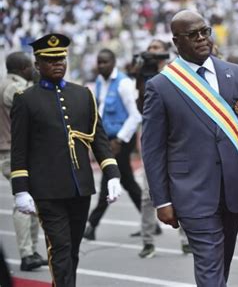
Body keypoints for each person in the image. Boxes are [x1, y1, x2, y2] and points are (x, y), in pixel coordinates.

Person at [141, 10, 238, 286]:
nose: (202, 38)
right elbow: (152, 149)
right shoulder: (161, 86)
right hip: (191, 192)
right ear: (176, 42)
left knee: (221, 264)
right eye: (193, 35)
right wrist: (162, 200)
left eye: (205, 31)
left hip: (235, 189)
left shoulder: (237, 74)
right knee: (209, 263)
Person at [10, 33, 122, 287]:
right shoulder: (26, 100)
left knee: (72, 248)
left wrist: (113, 174)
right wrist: (21, 190)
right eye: (50, 60)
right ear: (37, 64)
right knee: (60, 248)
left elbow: (99, 140)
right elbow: (19, 149)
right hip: (47, 191)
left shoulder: (83, 95)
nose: (58, 63)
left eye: (61, 58)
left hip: (80, 186)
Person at [132, 39, 191, 258]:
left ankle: (186, 240)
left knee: (180, 189)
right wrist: (140, 73)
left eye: (157, 48)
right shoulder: (142, 73)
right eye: (150, 48)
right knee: (149, 194)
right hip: (152, 140)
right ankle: (147, 241)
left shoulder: (176, 71)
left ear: (166, 52)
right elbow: (140, 106)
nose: (152, 52)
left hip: (175, 138)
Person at [83, 49, 142, 240]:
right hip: (108, 140)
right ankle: (150, 220)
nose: (101, 66)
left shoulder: (124, 83)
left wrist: (119, 140)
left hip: (122, 140)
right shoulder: (100, 82)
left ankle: (92, 224)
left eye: (105, 62)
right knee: (127, 181)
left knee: (109, 178)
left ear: (114, 62)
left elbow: (135, 116)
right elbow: (100, 110)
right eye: (99, 62)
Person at [0, 52, 48, 271]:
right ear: (21, 67)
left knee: (32, 199)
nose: (34, 69)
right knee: (24, 200)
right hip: (13, 151)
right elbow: (31, 106)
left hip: (10, 150)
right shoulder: (12, 88)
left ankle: (31, 251)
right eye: (30, 66)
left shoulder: (4, 84)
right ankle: (27, 253)